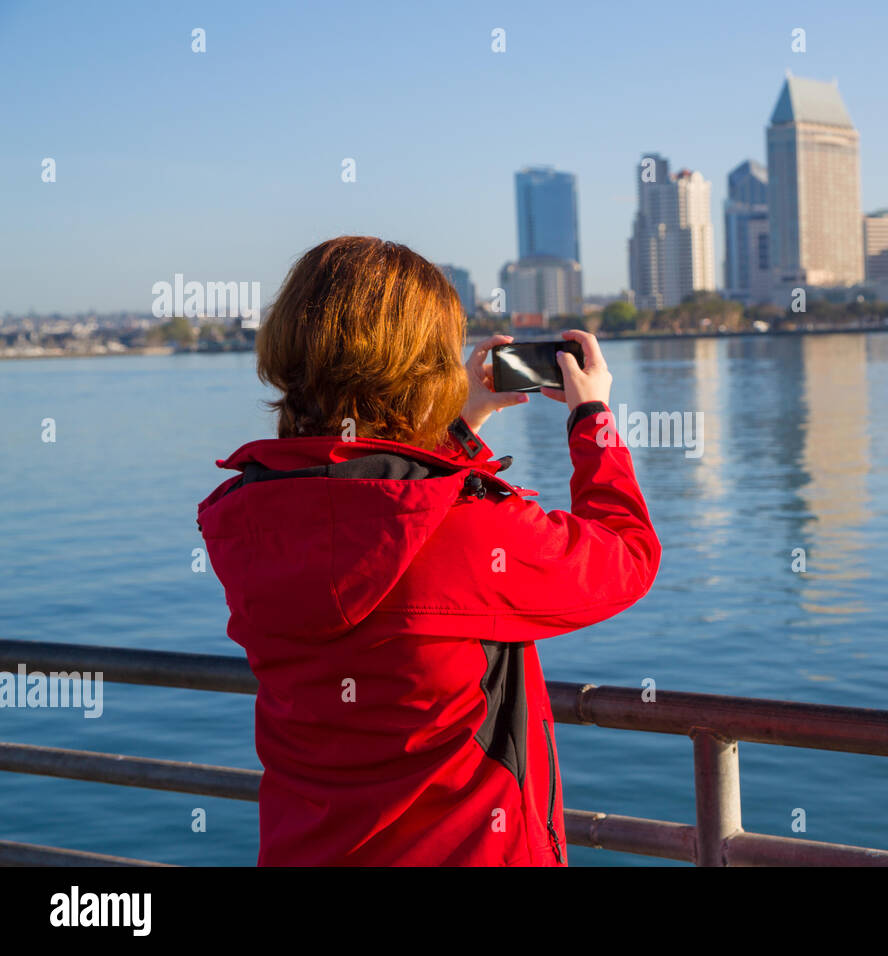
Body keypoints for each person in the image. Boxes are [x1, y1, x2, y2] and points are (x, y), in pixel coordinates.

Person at [196, 236, 660, 866]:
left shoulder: (252, 516)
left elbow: (370, 503)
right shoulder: (470, 528)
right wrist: (592, 419)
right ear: (428, 367)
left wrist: (454, 433)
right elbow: (627, 556)